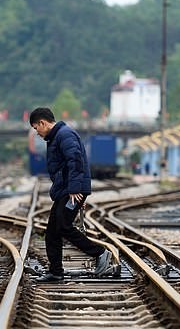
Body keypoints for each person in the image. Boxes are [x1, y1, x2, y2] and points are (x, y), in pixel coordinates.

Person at [29, 107, 112, 282]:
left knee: (63, 226)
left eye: (36, 127)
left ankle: (101, 253)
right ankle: (56, 271)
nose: (36, 132)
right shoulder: (57, 136)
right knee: (52, 230)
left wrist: (76, 189)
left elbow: (75, 160)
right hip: (66, 189)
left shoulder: (64, 135)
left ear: (43, 123)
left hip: (72, 190)